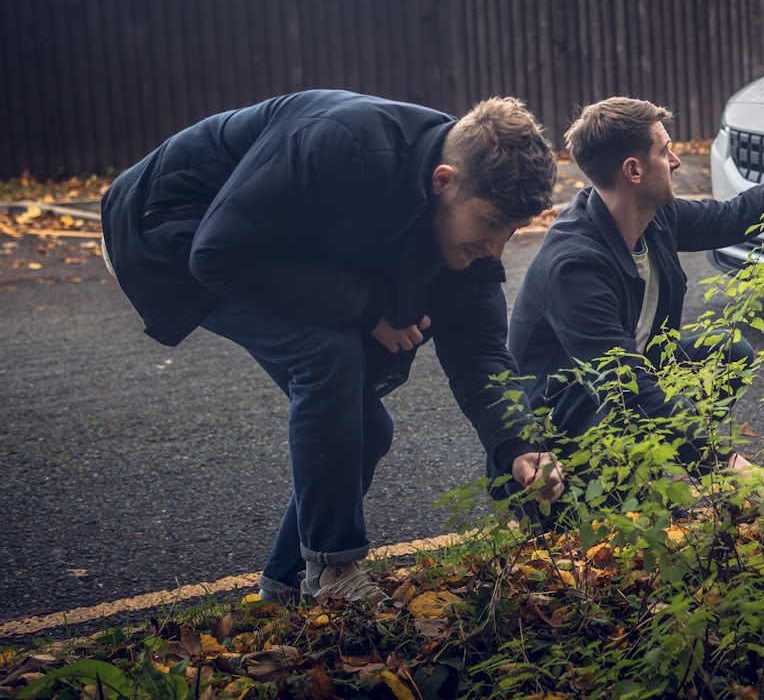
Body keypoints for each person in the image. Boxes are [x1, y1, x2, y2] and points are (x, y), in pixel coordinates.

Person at [101, 89, 566, 605]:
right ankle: (334, 572)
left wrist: (520, 445)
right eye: (491, 224)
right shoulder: (346, 147)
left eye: (512, 231)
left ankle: (285, 589)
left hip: (272, 240)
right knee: (327, 354)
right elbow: (217, 254)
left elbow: (481, 353)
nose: (495, 248)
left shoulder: (462, 221)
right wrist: (369, 310)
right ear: (444, 181)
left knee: (365, 430)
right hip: (167, 225)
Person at [505, 96, 764, 514]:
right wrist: (728, 466)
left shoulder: (655, 216)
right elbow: (626, 386)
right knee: (658, 501)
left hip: (618, 389)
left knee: (729, 354)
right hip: (562, 425)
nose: (676, 161)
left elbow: (734, 217)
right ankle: (612, 493)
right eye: (664, 150)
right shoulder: (574, 267)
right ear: (633, 171)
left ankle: (655, 463)